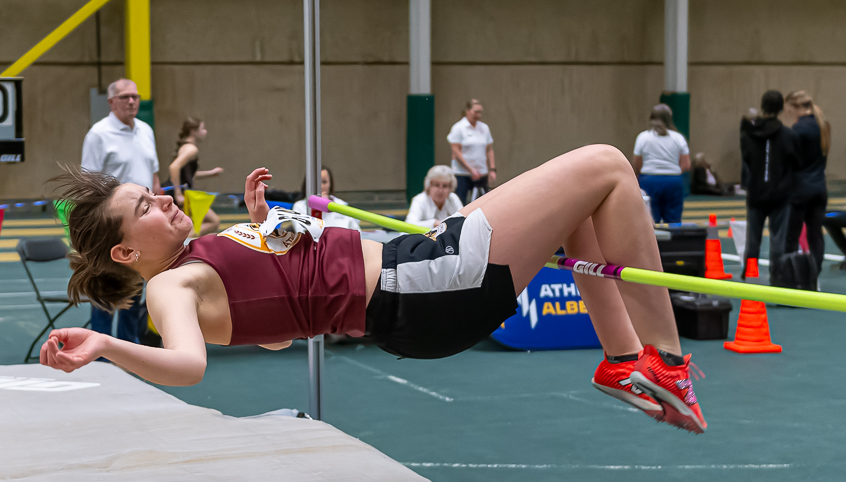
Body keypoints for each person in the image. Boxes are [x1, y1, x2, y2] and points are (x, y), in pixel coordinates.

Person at [41, 145, 708, 434]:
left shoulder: (195, 260)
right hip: (421, 282)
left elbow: (274, 334)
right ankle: (668, 362)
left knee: (580, 206)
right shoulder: (172, 287)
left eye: (153, 191)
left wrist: (262, 234)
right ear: (126, 252)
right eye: (146, 206)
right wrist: (106, 346)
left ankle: (625, 360)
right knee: (608, 166)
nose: (164, 197)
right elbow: (188, 366)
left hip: (415, 283)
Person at [80, 78, 160, 344]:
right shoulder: (98, 135)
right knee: (106, 287)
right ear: (111, 102)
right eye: (125, 97)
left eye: (135, 96)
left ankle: (129, 347)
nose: (132, 101)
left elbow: (153, 176)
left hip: (142, 226)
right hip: (110, 226)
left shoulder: (146, 130)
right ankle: (101, 350)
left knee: (134, 289)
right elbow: (88, 184)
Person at [740, 90, 798, 283]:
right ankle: (777, 278)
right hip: (780, 194)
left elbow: (747, 160)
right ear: (781, 108)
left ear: (762, 106)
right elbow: (795, 162)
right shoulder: (788, 135)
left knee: (753, 239)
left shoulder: (748, 133)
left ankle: (750, 276)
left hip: (756, 193)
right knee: (778, 240)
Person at [784, 90, 831, 278]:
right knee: (815, 235)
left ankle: (789, 278)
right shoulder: (822, 125)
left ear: (792, 107)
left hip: (799, 190)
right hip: (819, 187)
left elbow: (789, 161)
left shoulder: (797, 130)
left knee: (791, 237)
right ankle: (813, 276)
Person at [631, 104, 690, 224]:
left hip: (649, 180)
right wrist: (673, 171)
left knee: (649, 222)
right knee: (674, 223)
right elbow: (686, 164)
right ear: (669, 118)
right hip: (673, 181)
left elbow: (636, 163)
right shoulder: (678, 138)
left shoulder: (643, 137)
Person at [169, 117, 223, 235]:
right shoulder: (192, 149)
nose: (205, 131)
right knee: (214, 221)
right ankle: (181, 240)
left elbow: (186, 174)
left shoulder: (185, 146)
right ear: (193, 131)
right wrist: (178, 193)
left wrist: (210, 173)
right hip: (184, 194)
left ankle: (182, 239)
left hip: (184, 193)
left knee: (189, 225)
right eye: (202, 128)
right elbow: (174, 167)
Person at [448, 99, 496, 205]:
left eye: (480, 112)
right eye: (476, 112)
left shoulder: (484, 128)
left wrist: (492, 169)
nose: (478, 115)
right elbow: (456, 152)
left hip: (481, 172)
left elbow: (489, 149)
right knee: (461, 203)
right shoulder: (458, 128)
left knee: (483, 203)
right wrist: (470, 170)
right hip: (462, 173)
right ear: (468, 111)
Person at [293, 166, 358, 231]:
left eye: (324, 182)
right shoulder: (299, 207)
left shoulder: (342, 205)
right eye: (316, 182)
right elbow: (302, 232)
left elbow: (357, 232)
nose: (320, 187)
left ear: (330, 184)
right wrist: (317, 206)